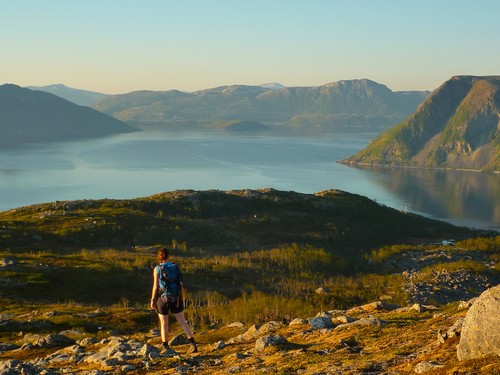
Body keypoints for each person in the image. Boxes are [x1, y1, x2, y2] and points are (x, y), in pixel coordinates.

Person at [150, 247, 197, 354]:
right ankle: (193, 343)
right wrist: (182, 297)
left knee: (164, 323)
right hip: (176, 298)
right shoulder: (175, 267)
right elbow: (180, 284)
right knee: (183, 322)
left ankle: (165, 346)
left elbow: (156, 287)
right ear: (169, 256)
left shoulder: (157, 269)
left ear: (159, 257)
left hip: (163, 298)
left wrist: (153, 300)